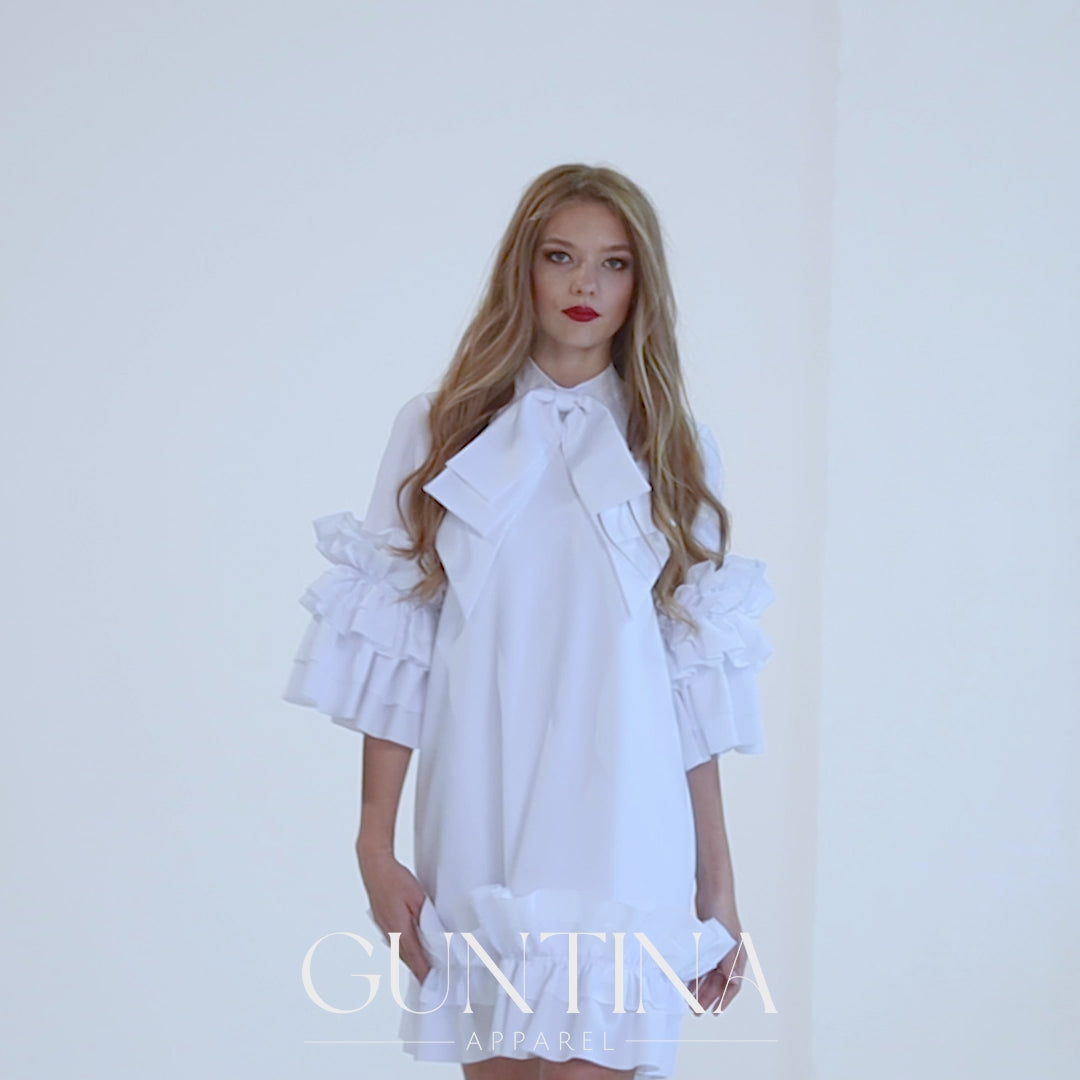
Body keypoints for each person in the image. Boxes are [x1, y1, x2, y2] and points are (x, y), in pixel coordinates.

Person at [283, 163, 775, 1080]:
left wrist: (718, 884)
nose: (586, 284)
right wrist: (373, 845)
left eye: (614, 263)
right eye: (561, 257)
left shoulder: (673, 446)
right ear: (525, 268)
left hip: (626, 818)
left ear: (640, 284)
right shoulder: (439, 428)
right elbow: (398, 645)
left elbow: (690, 681)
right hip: (482, 805)